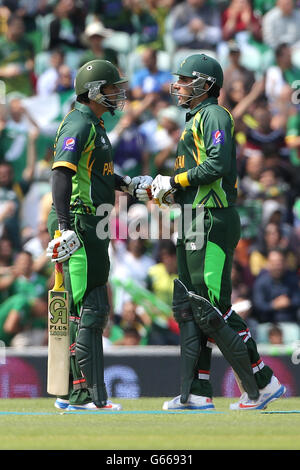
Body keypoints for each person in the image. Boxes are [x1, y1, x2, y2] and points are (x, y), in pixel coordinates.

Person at [150, 53, 286, 411]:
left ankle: (262, 381)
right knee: (194, 308)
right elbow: (196, 174)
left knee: (211, 307)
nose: (177, 86)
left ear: (204, 84)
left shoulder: (214, 114)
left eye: (183, 79)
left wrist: (175, 180)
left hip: (211, 218)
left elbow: (217, 163)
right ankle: (195, 392)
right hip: (194, 216)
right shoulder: (195, 117)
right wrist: (168, 191)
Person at [46, 59, 153, 412]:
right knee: (88, 309)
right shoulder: (79, 122)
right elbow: (61, 175)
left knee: (90, 307)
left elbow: (99, 173)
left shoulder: (94, 123)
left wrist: (127, 185)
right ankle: (83, 396)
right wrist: (63, 228)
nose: (117, 94)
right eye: (110, 88)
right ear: (93, 92)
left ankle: (70, 392)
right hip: (79, 220)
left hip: (91, 221)